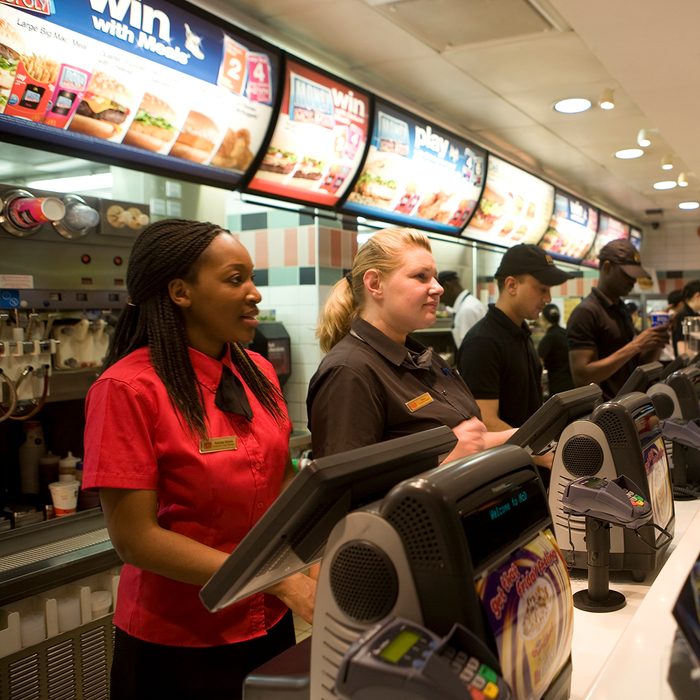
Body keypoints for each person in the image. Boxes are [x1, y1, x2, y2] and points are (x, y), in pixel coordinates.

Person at [82, 219, 316, 700]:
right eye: (235, 279)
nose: (254, 293)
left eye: (253, 278)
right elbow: (137, 540)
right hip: (178, 643)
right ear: (180, 292)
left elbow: (281, 483)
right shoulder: (126, 389)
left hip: (268, 621)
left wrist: (309, 559)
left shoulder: (259, 372)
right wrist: (277, 580)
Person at [306, 227, 515, 462]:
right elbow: (345, 489)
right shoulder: (349, 371)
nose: (438, 288)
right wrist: (443, 459)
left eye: (434, 277)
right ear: (375, 283)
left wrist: (531, 443)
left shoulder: (425, 360)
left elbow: (473, 442)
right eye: (421, 276)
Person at [457, 244, 573, 432]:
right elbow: (486, 421)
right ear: (512, 285)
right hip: (508, 460)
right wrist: (535, 451)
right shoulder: (483, 342)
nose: (548, 299)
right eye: (542, 290)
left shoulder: (521, 334)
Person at [566, 238, 668, 399]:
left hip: (629, 405)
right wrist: (636, 345)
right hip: (604, 415)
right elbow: (582, 376)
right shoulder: (586, 312)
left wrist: (656, 342)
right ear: (607, 267)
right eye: (627, 275)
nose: (633, 281)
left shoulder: (622, 309)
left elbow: (637, 365)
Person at [436, 270, 487, 348]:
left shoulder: (467, 310)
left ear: (447, 287)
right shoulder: (466, 305)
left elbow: (470, 348)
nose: (440, 300)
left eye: (439, 294)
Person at [538, 303, 574, 396]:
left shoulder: (548, 338)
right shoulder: (566, 333)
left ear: (544, 320)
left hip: (558, 386)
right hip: (573, 384)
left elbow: (538, 364)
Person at [672, 279, 700, 357]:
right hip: (687, 364)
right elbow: (682, 346)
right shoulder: (684, 315)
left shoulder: (694, 314)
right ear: (697, 296)